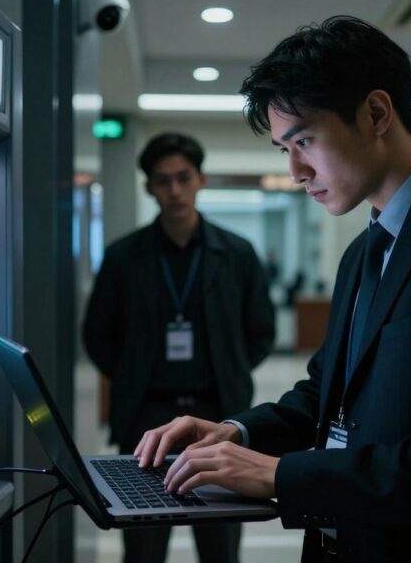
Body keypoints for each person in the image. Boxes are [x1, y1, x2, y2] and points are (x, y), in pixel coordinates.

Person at [134, 16, 411, 563]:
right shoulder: (366, 248)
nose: (296, 170)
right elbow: (327, 397)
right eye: (283, 149)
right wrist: (237, 433)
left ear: (375, 113)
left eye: (304, 140)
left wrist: (278, 473)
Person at [83, 132, 276, 563]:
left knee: (220, 548)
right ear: (148, 187)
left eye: (183, 178)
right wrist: (131, 373)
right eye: (162, 180)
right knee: (144, 547)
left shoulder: (237, 254)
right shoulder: (123, 257)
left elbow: (262, 329)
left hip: (217, 415)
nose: (174, 190)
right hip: (147, 417)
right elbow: (97, 334)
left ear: (201, 180)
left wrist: (231, 367)